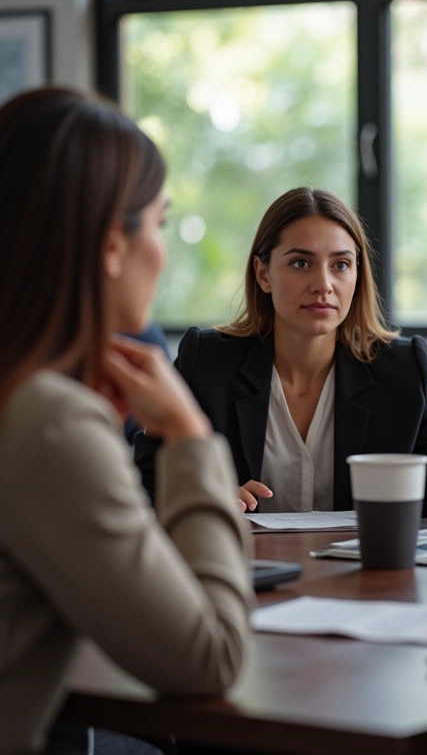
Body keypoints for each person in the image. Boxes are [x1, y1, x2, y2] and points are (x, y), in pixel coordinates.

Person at [0, 87, 252, 755]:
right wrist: (191, 436)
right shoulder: (47, 420)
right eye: (161, 224)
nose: (163, 252)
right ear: (114, 243)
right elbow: (211, 656)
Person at [135, 187, 427, 517]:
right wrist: (208, 496)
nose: (323, 284)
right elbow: (148, 477)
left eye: (341, 264)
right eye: (301, 263)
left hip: (367, 566)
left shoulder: (407, 370)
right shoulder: (207, 362)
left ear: (358, 274)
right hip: (245, 563)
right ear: (263, 274)